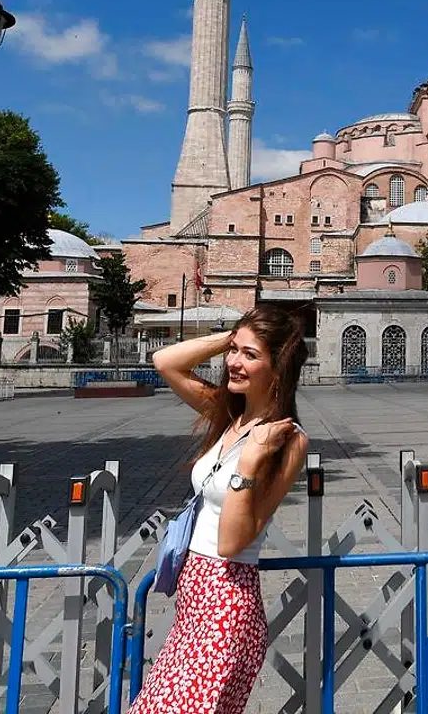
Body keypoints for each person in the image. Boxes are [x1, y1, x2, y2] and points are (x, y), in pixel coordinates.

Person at [129, 305, 310, 714]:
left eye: (250, 355)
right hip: (194, 604)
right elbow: (165, 361)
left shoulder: (287, 440)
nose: (233, 362)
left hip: (226, 609)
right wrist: (232, 337)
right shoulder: (229, 415)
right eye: (234, 351)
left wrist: (248, 463)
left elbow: (231, 542)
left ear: (278, 368)